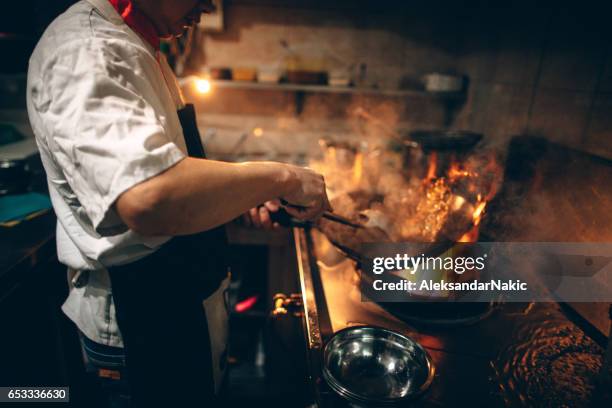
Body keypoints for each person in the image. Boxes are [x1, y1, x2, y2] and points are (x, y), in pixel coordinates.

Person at [26, 0, 330, 406]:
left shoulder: (136, 44)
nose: (208, 6)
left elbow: (170, 176)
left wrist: (241, 195)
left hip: (177, 303)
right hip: (141, 321)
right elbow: (150, 197)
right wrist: (281, 176)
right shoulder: (89, 49)